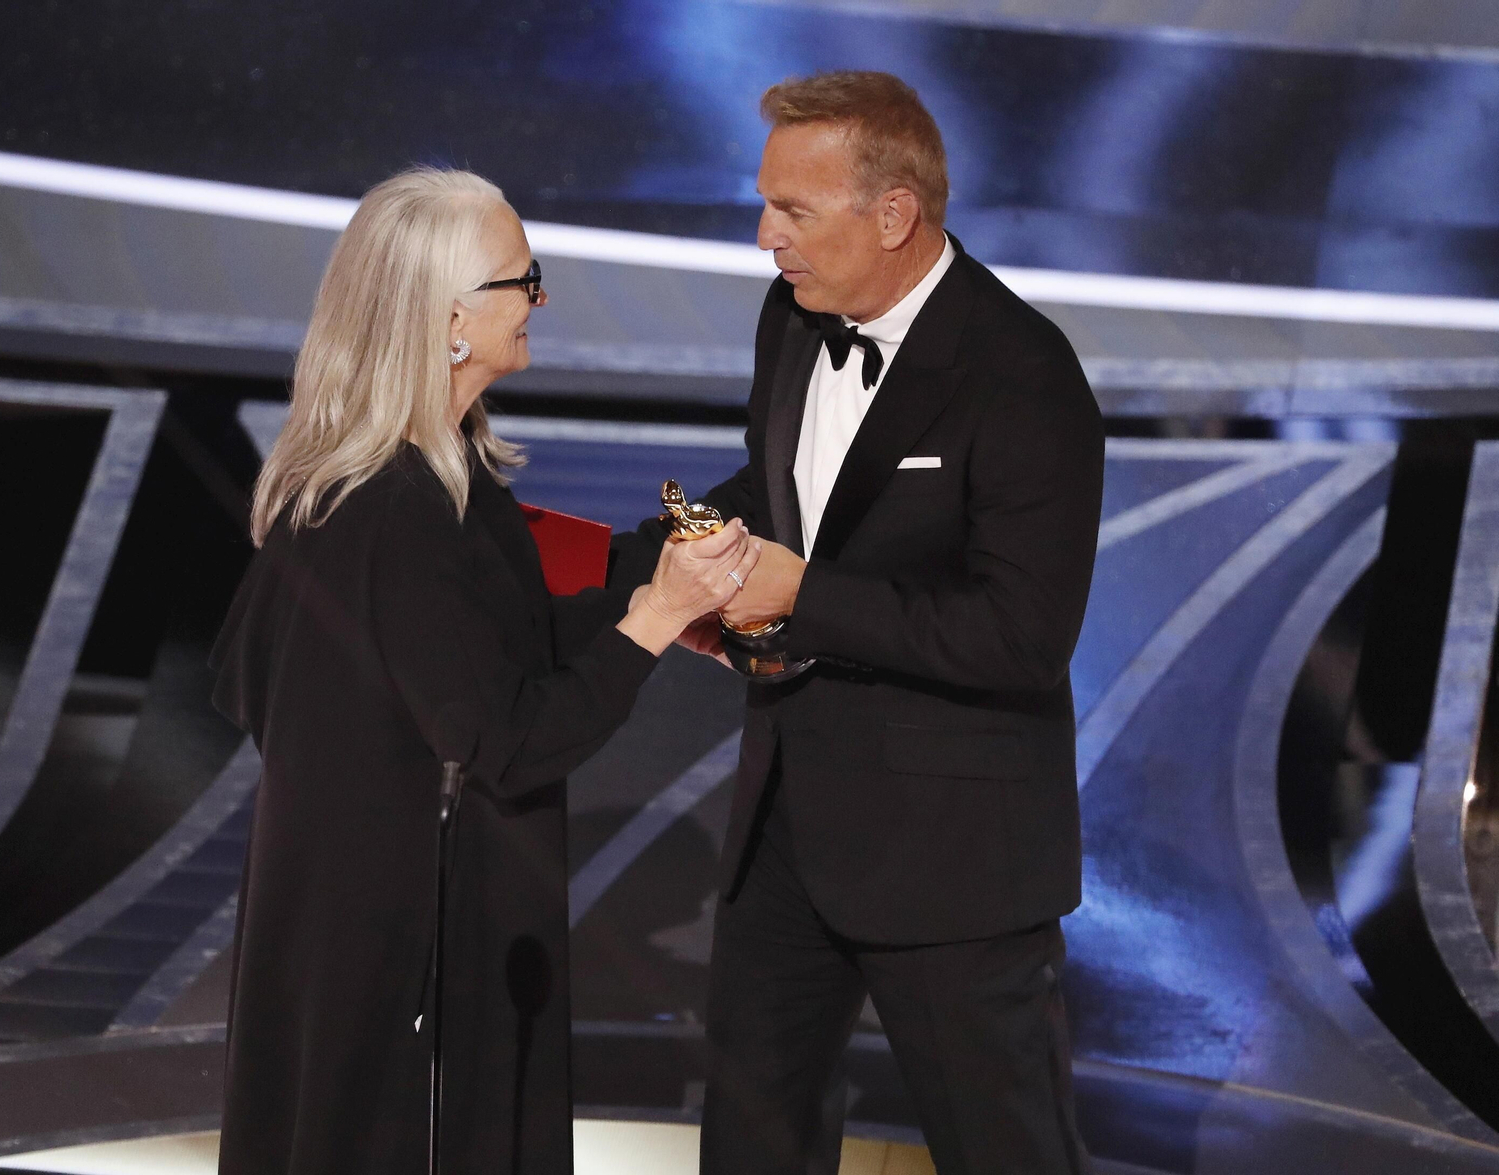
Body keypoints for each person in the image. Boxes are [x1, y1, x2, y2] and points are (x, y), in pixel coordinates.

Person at [209, 167, 760, 1175]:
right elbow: (506, 737)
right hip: (406, 953)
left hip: (346, 921)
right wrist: (657, 617)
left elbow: (479, 644)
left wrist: (651, 598)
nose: (540, 299)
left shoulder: (384, 475)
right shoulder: (397, 506)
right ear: (449, 315)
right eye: (525, 278)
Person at [613, 73, 1104, 1174]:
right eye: (764, 204)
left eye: (793, 210)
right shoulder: (791, 318)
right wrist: (707, 557)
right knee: (751, 1143)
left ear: (893, 215)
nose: (763, 236)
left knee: (1004, 1148)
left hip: (954, 861)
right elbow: (790, 487)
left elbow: (1022, 634)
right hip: (784, 825)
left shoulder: (1023, 375)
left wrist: (801, 593)